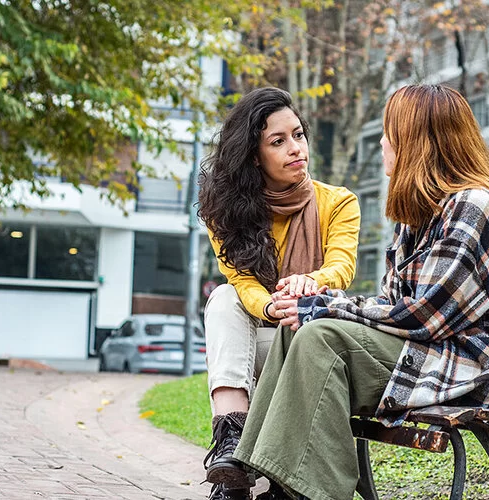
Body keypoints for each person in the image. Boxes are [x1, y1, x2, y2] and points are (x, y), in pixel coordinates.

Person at [213, 84, 489, 500]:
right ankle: (276, 483)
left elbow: (423, 315)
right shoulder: (418, 215)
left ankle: (313, 493)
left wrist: (323, 304)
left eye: (390, 132)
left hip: (479, 362)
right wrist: (316, 310)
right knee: (298, 329)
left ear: (415, 143)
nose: (382, 141)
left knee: (320, 334)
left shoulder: (472, 204)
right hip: (436, 350)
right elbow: (394, 304)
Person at [197, 87, 361, 500]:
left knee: (286, 339)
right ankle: (232, 448)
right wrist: (271, 303)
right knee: (222, 300)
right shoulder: (226, 213)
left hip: (310, 343)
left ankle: (250, 470)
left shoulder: (338, 202)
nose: (295, 149)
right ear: (255, 156)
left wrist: (313, 282)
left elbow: (342, 267)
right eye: (278, 141)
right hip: (263, 335)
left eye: (299, 135)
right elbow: (242, 284)